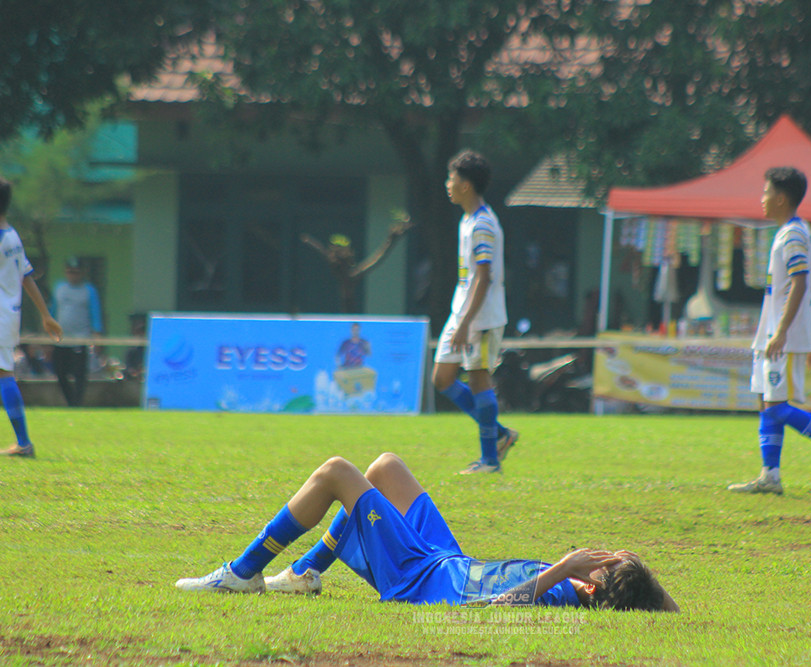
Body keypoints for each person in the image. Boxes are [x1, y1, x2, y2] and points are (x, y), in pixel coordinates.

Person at [175, 451, 680, 611]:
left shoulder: (560, 595)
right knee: (385, 467)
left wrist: (562, 569)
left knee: (336, 473)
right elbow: (664, 608)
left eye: (602, 562)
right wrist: (631, 570)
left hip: (419, 578)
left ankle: (241, 574)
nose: (598, 554)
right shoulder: (592, 590)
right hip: (447, 559)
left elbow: (494, 610)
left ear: (591, 587)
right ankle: (305, 574)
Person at [727, 167, 811, 495]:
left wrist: (783, 332)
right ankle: (770, 476)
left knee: (776, 407)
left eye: (766, 192)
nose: (762, 198)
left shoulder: (793, 234)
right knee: (766, 404)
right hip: (773, 334)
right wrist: (807, 340)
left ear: (781, 198)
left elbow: (801, 284)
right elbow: (799, 290)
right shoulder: (787, 232)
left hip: (781, 338)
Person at [431, 150, 517, 474]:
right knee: (442, 378)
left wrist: (467, 322)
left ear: (465, 185)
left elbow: (484, 277)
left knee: (479, 379)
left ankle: (490, 460)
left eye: (451, 178)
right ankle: (501, 434)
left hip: (481, 317)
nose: (447, 184)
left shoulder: (483, 224)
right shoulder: (468, 220)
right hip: (463, 312)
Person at [0, 177, 63, 458]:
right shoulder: (12, 235)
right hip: (8, 316)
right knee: (4, 374)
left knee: (4, 375)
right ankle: (23, 442)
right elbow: (27, 277)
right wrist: (46, 315)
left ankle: (24, 443)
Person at [300, 217, 413, 313]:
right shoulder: (346, 272)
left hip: (350, 314)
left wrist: (391, 240)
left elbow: (378, 258)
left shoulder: (351, 274)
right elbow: (322, 250)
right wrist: (310, 241)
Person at [51, 256, 103, 407]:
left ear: (82, 273)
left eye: (76, 272)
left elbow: (95, 314)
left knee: (80, 374)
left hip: (80, 339)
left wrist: (97, 337)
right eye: (70, 272)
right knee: (60, 373)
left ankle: (77, 404)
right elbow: (52, 312)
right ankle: (70, 402)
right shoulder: (59, 288)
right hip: (61, 340)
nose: (72, 275)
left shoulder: (89, 290)